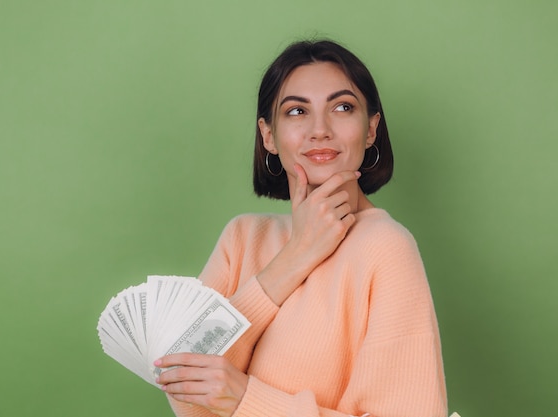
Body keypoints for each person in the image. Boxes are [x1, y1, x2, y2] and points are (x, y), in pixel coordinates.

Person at [154, 39, 448, 417]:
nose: (319, 130)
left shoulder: (386, 248)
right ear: (268, 135)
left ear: (371, 128)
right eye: (296, 111)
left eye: (343, 107)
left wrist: (247, 399)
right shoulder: (243, 238)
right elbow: (181, 384)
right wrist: (297, 255)